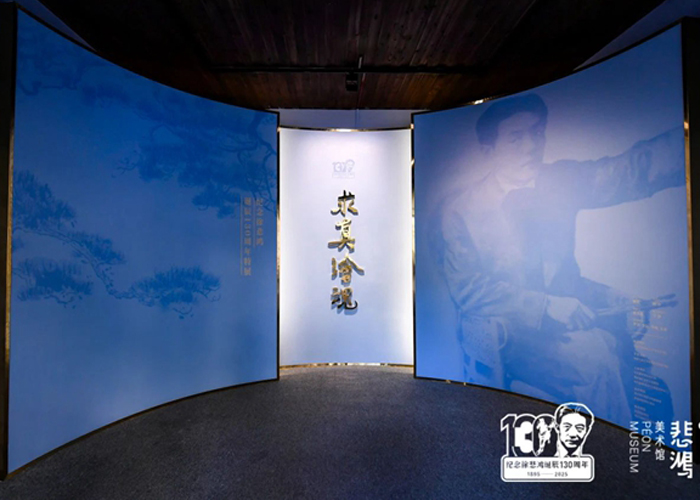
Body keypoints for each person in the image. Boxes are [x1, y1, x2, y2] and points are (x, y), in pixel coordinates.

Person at [438, 94, 684, 423]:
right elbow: (469, 290)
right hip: (511, 334)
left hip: (569, 323)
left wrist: (607, 297)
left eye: (536, 133)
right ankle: (612, 449)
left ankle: (634, 445)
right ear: (488, 150)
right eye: (516, 138)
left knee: (634, 367)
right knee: (598, 362)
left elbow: (630, 170)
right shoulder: (462, 210)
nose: (530, 146)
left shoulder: (560, 181)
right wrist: (546, 306)